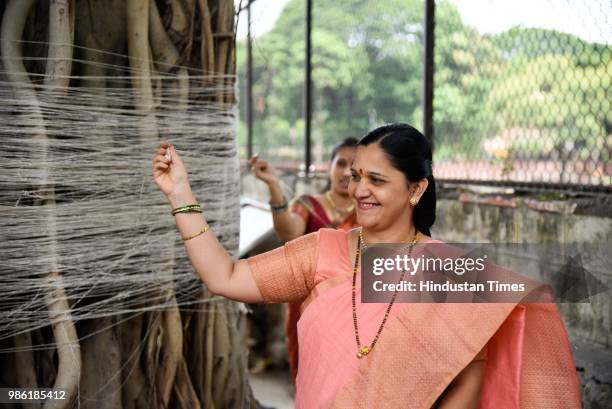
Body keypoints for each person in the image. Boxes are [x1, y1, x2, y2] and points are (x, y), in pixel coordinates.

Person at [152, 123, 581, 408]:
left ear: (416, 189)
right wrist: (180, 195)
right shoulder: (322, 250)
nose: (359, 190)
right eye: (357, 176)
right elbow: (224, 276)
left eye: (377, 180)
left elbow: (471, 374)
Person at [248, 137, 359, 381]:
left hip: (355, 309)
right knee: (311, 376)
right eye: (341, 163)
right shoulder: (308, 204)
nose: (346, 172)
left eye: (354, 165)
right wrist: (274, 186)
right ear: (329, 167)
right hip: (309, 305)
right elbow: (289, 232)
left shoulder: (369, 209)